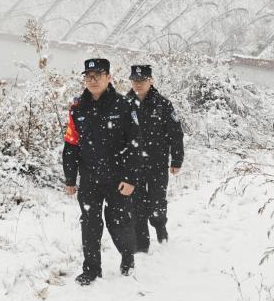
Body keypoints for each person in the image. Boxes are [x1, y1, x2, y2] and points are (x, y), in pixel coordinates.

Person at [62, 58, 142, 285]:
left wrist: (131, 178)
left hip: (118, 179)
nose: (93, 80)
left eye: (98, 75)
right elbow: (71, 145)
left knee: (118, 222)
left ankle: (127, 255)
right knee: (89, 222)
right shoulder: (77, 109)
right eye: (88, 76)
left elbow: (135, 144)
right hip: (89, 178)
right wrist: (70, 177)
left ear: (109, 77)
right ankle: (91, 269)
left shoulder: (124, 106)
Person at [126, 64, 184, 252]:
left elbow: (175, 134)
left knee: (157, 201)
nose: (138, 84)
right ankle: (141, 245)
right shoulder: (124, 104)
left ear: (151, 81)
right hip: (134, 165)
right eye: (135, 80)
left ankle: (160, 226)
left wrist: (176, 160)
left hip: (157, 163)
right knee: (136, 205)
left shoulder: (163, 105)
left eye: (142, 80)